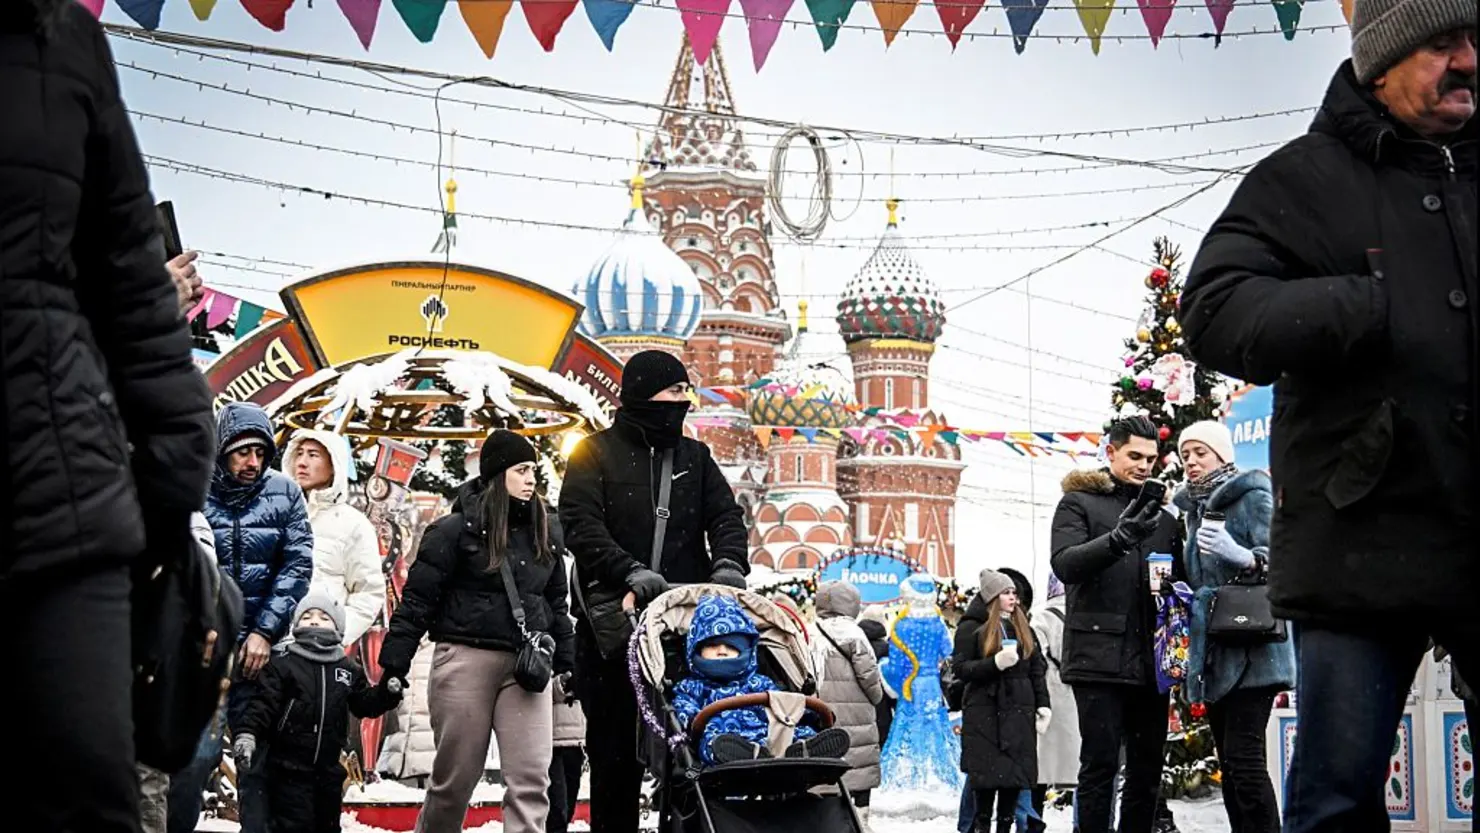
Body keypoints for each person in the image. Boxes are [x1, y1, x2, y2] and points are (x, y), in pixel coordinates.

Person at [1178, 0, 1476, 826]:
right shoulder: (1304, 178)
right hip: (1361, 538)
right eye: (1444, 44)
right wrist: (1362, 305)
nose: (1469, 61)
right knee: (1336, 798)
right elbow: (1213, 308)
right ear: (1382, 62)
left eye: (1475, 41)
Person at [1, 1, 216, 829]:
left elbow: (126, 277)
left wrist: (171, 469)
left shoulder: (62, 39)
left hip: (58, 499)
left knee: (88, 793)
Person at [559, 349, 748, 833]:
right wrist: (629, 570)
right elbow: (580, 526)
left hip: (683, 630)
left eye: (686, 391)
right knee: (614, 760)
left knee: (690, 756)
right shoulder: (593, 453)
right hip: (613, 632)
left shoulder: (695, 458)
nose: (683, 401)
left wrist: (727, 565)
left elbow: (727, 519)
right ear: (645, 394)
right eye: (674, 392)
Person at [378, 430, 576, 833]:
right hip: (465, 659)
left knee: (531, 782)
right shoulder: (453, 531)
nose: (531, 478)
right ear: (498, 474)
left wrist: (568, 660)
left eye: (534, 470)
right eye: (521, 470)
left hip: (527, 666)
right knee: (454, 781)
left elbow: (557, 604)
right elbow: (417, 602)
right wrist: (395, 661)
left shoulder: (546, 530)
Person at [168, 402, 315, 833]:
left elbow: (296, 565)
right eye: (242, 453)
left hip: (262, 656)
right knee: (192, 762)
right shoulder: (194, 491)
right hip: (203, 656)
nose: (252, 463)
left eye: (260, 453)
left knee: (261, 769)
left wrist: (266, 632)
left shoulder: (284, 492)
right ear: (222, 451)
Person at [1049, 415, 1181, 833]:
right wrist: (1118, 539)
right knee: (1100, 766)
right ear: (1111, 453)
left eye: (1151, 458)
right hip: (1097, 656)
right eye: (1134, 456)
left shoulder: (1166, 519)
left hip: (1151, 660)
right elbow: (1065, 564)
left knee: (1146, 770)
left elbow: (1177, 584)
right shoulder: (1079, 503)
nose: (1144, 465)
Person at [1170, 422, 1292, 833]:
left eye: (1200, 453)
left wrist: (1242, 556)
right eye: (1186, 455)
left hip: (1255, 648)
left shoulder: (1252, 496)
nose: (1191, 462)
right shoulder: (1193, 510)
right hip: (1217, 649)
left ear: (1222, 455)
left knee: (1245, 760)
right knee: (1231, 766)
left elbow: (1280, 559)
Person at [231, 592, 402, 833]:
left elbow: (364, 704)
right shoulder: (284, 664)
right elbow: (262, 705)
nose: (314, 621)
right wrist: (247, 734)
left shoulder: (347, 669)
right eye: (307, 616)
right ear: (296, 625)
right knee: (294, 825)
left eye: (323, 617)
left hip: (329, 772)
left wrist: (388, 692)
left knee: (327, 825)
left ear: (338, 626)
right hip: (287, 771)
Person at [672, 593, 848, 764]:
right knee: (711, 743)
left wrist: (810, 714)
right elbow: (685, 711)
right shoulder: (691, 687)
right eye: (712, 645)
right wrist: (688, 723)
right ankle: (741, 755)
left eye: (731, 646)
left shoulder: (759, 682)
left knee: (793, 729)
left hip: (769, 736)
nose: (722, 651)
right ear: (696, 650)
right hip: (725, 739)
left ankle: (806, 747)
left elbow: (785, 705)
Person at [954, 569, 1051, 833]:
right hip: (985, 718)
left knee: (1013, 783)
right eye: (1006, 593)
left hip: (1018, 717)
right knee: (985, 786)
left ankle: (1006, 827)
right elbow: (961, 669)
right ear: (993, 597)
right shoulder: (975, 629)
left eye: (1014, 593)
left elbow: (1036, 670)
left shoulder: (1024, 629)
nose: (1013, 598)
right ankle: (980, 826)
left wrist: (1043, 704)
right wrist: (993, 664)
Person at [284, 429, 386, 646]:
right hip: (268, 648)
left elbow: (368, 593)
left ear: (334, 466)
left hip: (322, 653)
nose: (302, 462)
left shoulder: (353, 525)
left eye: (313, 455)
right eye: (299, 453)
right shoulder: (275, 515)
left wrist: (336, 637)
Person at [809, 581, 886, 825]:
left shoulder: (809, 634)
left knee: (826, 774)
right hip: (858, 723)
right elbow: (873, 688)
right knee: (858, 775)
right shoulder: (855, 635)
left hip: (821, 720)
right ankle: (859, 823)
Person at [1030, 574, 1080, 826]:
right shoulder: (1082, 612)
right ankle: (1082, 824)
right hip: (1078, 695)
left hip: (1049, 695)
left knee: (1042, 767)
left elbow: (1034, 656)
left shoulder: (1041, 617)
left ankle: (1034, 823)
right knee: (1082, 768)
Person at [547, 670, 586, 833]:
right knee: (557, 810)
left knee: (566, 808)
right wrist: (559, 685)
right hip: (550, 742)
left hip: (575, 740)